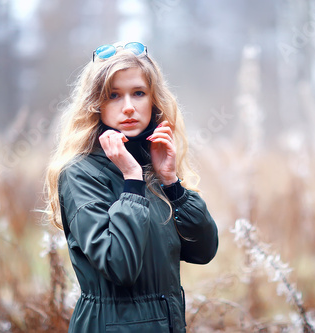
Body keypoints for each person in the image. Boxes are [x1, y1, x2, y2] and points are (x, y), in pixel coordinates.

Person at [44, 41, 218, 333]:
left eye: (138, 93)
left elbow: (204, 250)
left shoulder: (153, 165)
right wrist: (132, 181)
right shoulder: (80, 174)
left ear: (153, 99)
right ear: (96, 104)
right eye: (113, 96)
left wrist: (172, 183)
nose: (128, 107)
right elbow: (118, 265)